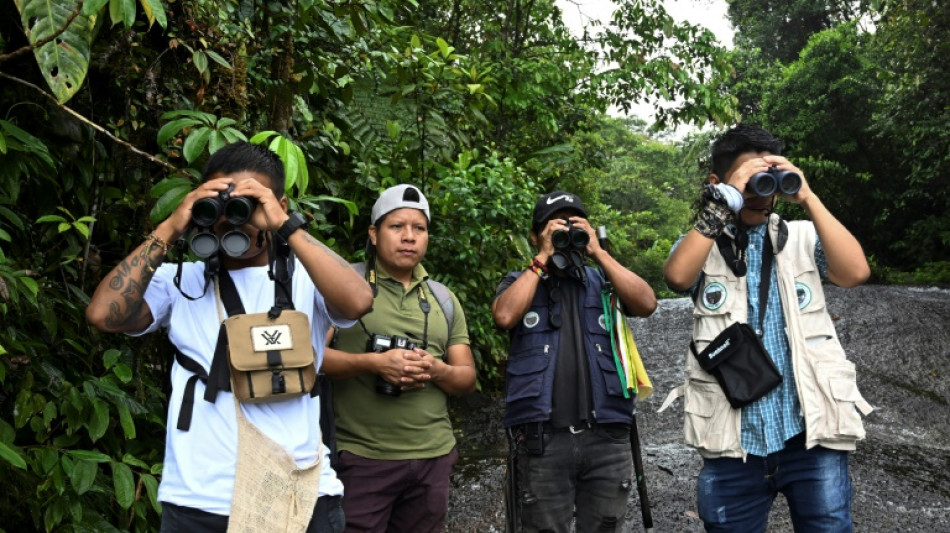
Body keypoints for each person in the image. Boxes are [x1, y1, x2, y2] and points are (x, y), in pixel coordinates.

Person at [86, 142, 373, 533]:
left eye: (245, 205)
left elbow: (359, 301)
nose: (229, 220)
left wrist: (284, 225)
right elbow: (103, 314)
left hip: (300, 494)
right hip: (199, 500)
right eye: (219, 206)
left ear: (279, 204)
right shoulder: (180, 281)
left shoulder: (309, 279)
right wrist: (171, 227)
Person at [659, 124, 874, 532]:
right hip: (733, 442)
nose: (761, 191)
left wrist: (807, 197)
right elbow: (676, 277)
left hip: (809, 434)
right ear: (717, 182)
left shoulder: (804, 237)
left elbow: (855, 272)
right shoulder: (702, 244)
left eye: (768, 179)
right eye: (749, 180)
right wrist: (722, 204)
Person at [491, 191, 657, 533]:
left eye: (574, 225)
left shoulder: (603, 283)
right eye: (556, 228)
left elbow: (646, 303)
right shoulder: (520, 281)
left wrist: (597, 252)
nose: (566, 234)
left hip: (606, 437)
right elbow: (505, 315)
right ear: (536, 235)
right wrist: (542, 258)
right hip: (543, 438)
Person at [321, 184, 476, 533]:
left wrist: (435, 369)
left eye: (419, 229)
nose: (409, 237)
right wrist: (374, 364)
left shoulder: (443, 299)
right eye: (397, 227)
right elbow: (310, 359)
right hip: (362, 458)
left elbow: (467, 378)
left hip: (433, 456)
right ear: (374, 234)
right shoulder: (343, 284)